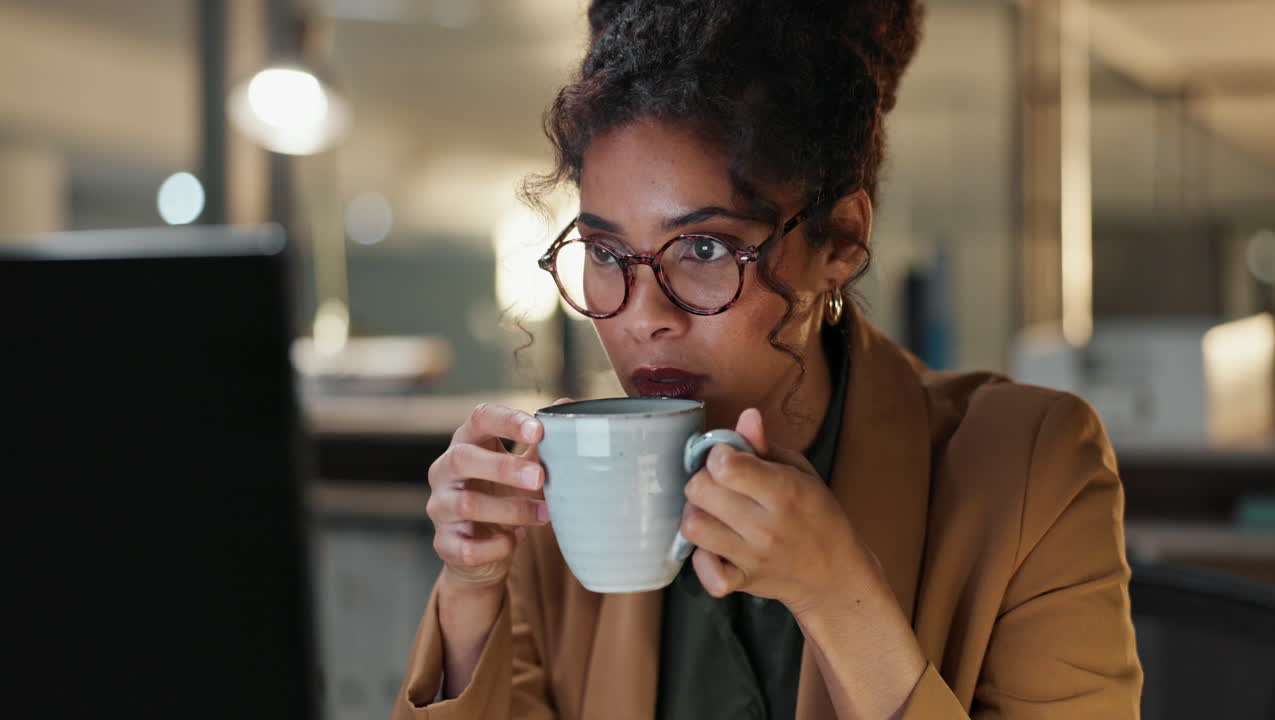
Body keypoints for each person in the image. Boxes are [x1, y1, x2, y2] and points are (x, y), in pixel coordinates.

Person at [394, 1, 1143, 718]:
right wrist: (469, 593)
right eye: (605, 252)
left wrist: (838, 599)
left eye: (706, 248)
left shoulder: (1030, 468)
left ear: (842, 242)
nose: (643, 317)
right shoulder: (561, 499)